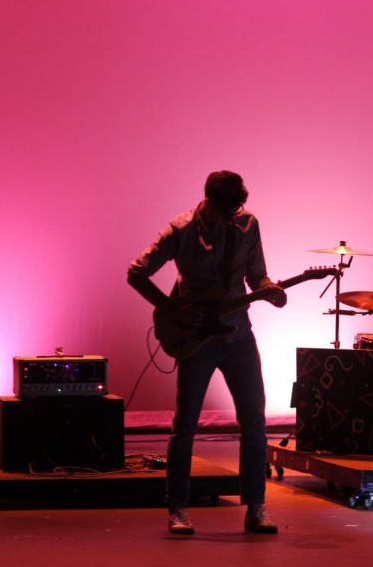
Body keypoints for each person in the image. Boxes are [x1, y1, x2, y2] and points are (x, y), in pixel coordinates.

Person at [128, 171, 286, 536]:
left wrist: (270, 290)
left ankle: (256, 507)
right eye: (225, 211)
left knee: (254, 421)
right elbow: (136, 272)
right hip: (196, 338)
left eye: (237, 209)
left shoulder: (248, 224)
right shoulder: (180, 230)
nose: (232, 216)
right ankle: (178, 508)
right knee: (185, 425)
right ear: (209, 202)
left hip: (238, 334)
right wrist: (172, 309)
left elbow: (257, 274)